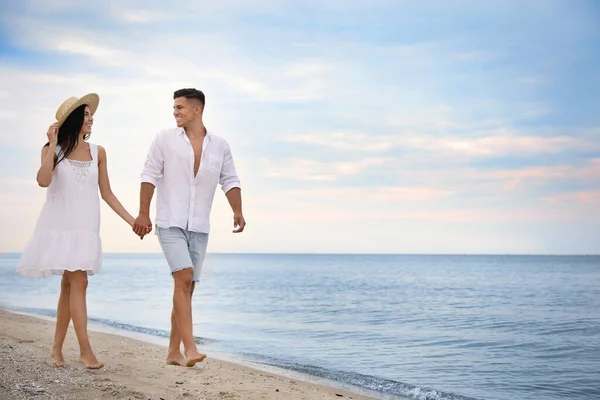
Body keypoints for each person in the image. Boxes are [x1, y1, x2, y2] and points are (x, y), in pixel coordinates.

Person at [17, 93, 140, 369]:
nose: (91, 118)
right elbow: (43, 180)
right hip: (59, 227)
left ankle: (56, 350)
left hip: (86, 228)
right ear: (73, 119)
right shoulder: (53, 150)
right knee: (80, 282)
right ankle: (85, 351)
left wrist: (131, 220)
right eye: (85, 115)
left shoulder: (99, 152)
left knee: (69, 286)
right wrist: (51, 144)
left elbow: (107, 194)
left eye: (90, 114)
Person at [132, 88, 246, 367]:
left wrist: (237, 210)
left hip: (199, 225)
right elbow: (149, 174)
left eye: (180, 107)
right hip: (169, 220)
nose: (175, 112)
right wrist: (143, 213)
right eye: (174, 108)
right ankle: (190, 348)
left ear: (197, 110)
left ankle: (172, 352)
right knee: (183, 278)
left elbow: (229, 180)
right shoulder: (164, 139)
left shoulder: (220, 145)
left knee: (186, 287)